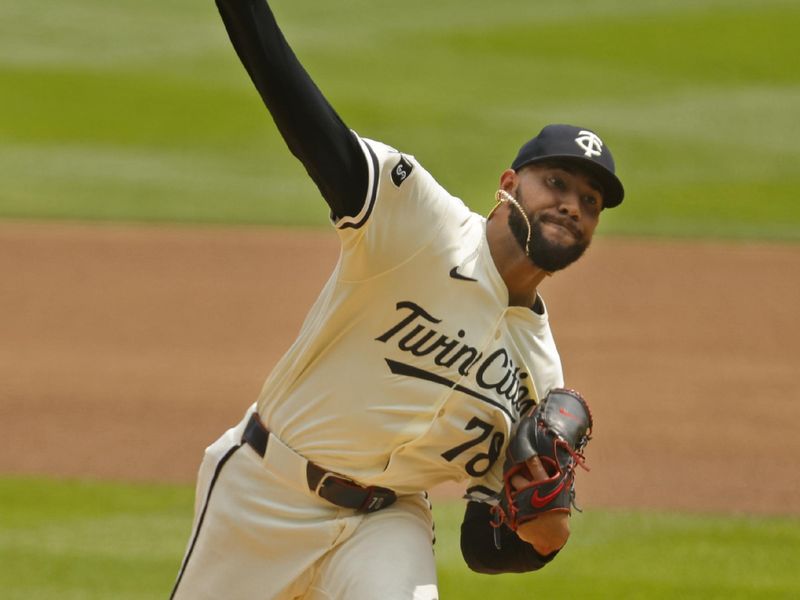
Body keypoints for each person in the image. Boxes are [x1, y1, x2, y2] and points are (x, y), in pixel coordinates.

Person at [170, 1, 625, 598]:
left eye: (589, 201)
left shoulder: (538, 374)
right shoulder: (419, 222)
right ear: (509, 185)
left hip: (386, 523)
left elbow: (482, 546)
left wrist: (541, 539)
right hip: (263, 494)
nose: (571, 204)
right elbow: (311, 128)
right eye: (557, 183)